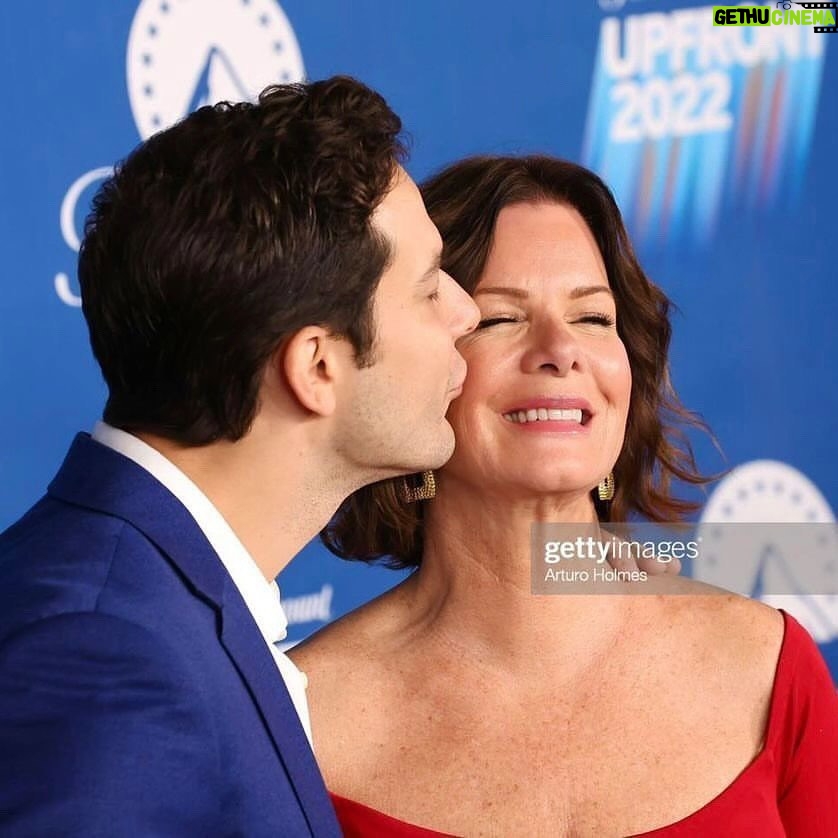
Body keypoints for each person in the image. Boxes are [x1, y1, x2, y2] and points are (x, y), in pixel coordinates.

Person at [291, 155, 838, 837]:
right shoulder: (299, 722)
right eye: (498, 320)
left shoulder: (770, 668)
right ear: (412, 371)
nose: (560, 350)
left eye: (592, 317)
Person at [0, 76, 480, 836]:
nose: (468, 310)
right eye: (427, 290)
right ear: (317, 367)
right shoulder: (108, 658)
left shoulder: (144, 601)